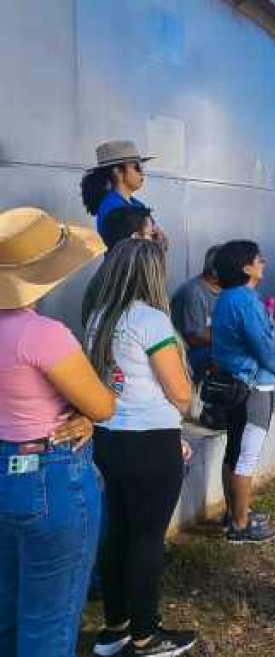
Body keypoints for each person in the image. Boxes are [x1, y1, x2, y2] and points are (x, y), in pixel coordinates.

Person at [0, 207, 115, 657]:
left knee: (7, 611)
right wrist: (86, 414)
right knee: (48, 622)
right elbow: (102, 405)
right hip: (49, 475)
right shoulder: (43, 334)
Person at [83, 239, 197, 657]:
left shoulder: (99, 318)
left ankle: (115, 628)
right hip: (150, 441)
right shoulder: (150, 320)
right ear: (153, 274)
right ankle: (147, 636)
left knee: (118, 532)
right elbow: (180, 393)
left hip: (109, 436)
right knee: (147, 539)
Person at [212, 240, 275, 543]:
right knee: (246, 455)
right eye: (259, 259)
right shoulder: (245, 300)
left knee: (234, 450)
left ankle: (233, 513)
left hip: (234, 384)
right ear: (245, 267)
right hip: (252, 385)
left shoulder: (226, 297)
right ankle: (241, 524)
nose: (264, 262)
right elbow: (262, 346)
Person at [80, 141, 161, 240]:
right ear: (118, 171)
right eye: (136, 167)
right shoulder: (113, 207)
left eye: (141, 167)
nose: (142, 173)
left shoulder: (137, 204)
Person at [171, 244, 221, 380]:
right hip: (188, 356)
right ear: (216, 272)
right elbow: (194, 338)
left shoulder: (227, 291)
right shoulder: (193, 292)